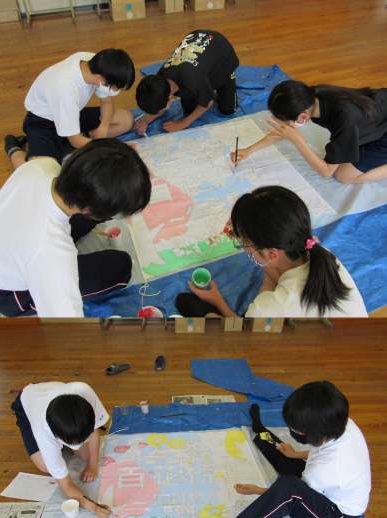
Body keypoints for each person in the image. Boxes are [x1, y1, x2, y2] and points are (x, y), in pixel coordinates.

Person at [199, 381, 371, 518]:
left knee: (287, 486)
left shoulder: (326, 471)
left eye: (295, 429)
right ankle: (260, 431)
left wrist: (259, 491)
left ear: (314, 433)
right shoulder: (341, 424)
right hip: (327, 487)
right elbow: (320, 453)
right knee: (284, 455)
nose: (291, 431)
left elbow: (290, 499)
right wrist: (296, 454)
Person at [0, 139, 151, 317]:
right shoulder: (51, 253)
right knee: (121, 266)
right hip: (5, 292)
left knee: (86, 218)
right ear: (90, 210)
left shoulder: (41, 165)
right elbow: (64, 325)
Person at [176, 186, 367, 317]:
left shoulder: (271, 308)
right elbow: (272, 271)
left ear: (272, 255)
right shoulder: (322, 254)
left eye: (243, 243)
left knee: (204, 316)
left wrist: (219, 304)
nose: (242, 245)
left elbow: (244, 337)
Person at [232, 80, 387, 184]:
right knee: (345, 156)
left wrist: (298, 140)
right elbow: (284, 131)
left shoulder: (344, 120)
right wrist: (249, 150)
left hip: (382, 131)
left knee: (344, 176)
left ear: (303, 116)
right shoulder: (312, 96)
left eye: (285, 120)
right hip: (376, 115)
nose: (284, 126)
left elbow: (326, 172)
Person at [5, 49, 136, 166]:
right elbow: (75, 140)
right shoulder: (66, 90)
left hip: (71, 112)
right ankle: (13, 146)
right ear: (100, 78)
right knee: (40, 173)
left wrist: (104, 126)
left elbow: (106, 101)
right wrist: (115, 148)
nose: (116, 91)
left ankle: (71, 141)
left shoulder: (94, 62)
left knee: (126, 119)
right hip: (42, 122)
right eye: (115, 88)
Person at [11, 382, 111, 518]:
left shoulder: (85, 393)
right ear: (55, 434)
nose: (78, 445)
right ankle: (63, 442)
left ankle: (69, 438)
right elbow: (66, 485)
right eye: (70, 442)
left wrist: (92, 465)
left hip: (54, 396)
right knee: (45, 466)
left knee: (86, 456)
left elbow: (94, 430)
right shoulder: (43, 432)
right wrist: (94, 507)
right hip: (27, 401)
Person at [135, 30, 239, 135]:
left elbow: (208, 102)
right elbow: (161, 103)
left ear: (170, 98)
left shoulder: (192, 80)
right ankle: (205, 85)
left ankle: (221, 80)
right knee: (189, 110)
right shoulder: (160, 79)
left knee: (228, 109)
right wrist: (145, 121)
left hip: (221, 52)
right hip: (198, 51)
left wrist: (183, 123)